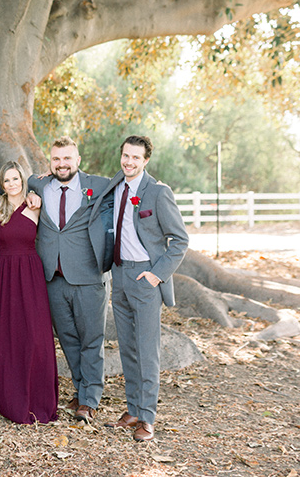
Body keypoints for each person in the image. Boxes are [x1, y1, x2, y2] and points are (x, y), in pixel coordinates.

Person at [92, 135, 189, 442]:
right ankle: (133, 408)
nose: (129, 162)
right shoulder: (115, 185)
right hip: (119, 275)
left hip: (146, 278)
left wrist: (156, 275)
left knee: (148, 351)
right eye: (125, 156)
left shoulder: (158, 193)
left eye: (135, 158)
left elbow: (180, 240)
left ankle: (147, 418)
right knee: (128, 349)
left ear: (146, 160)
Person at [27, 137, 111, 423]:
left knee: (91, 339)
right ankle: (80, 388)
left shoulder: (98, 186)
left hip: (88, 276)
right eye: (56, 159)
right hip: (52, 277)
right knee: (68, 340)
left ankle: (89, 399)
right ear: (50, 163)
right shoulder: (38, 185)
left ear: (77, 160)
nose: (61, 164)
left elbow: (129, 183)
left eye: (67, 159)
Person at [0, 161, 58, 424]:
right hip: (5, 275)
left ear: (23, 180)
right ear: (2, 185)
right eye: (7, 180)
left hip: (30, 274)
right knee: (9, 336)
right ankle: (12, 399)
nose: (12, 184)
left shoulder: (36, 205)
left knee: (36, 336)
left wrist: (42, 181)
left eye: (16, 179)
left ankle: (39, 400)